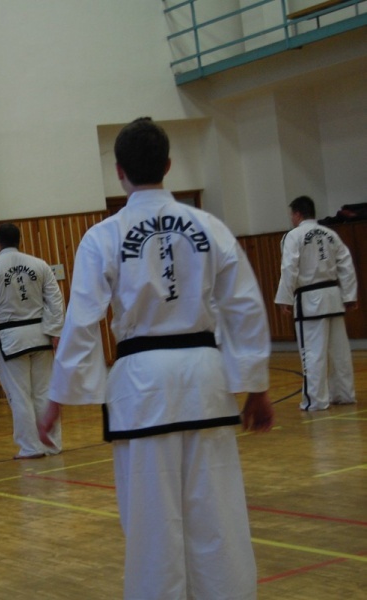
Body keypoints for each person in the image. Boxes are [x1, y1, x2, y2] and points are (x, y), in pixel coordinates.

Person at [39, 117, 274, 600]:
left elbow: (82, 320)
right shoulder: (209, 227)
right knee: (219, 523)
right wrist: (256, 384)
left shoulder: (104, 235)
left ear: (118, 171)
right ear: (168, 165)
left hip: (142, 389)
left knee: (152, 533)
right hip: (205, 383)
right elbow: (244, 306)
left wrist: (57, 397)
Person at [0, 223, 65, 459]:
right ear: (19, 240)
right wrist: (56, 331)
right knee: (44, 391)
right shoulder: (39, 264)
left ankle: (31, 447)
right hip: (40, 336)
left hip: (10, 339)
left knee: (20, 395)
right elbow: (56, 300)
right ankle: (52, 444)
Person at [275, 195, 358, 411]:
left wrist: (285, 298)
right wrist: (349, 295)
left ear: (297, 214)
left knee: (313, 352)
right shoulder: (331, 234)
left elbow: (289, 267)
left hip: (310, 300)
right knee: (339, 352)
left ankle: (316, 400)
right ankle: (344, 394)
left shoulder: (294, 236)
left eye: (292, 214)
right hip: (333, 297)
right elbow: (346, 265)